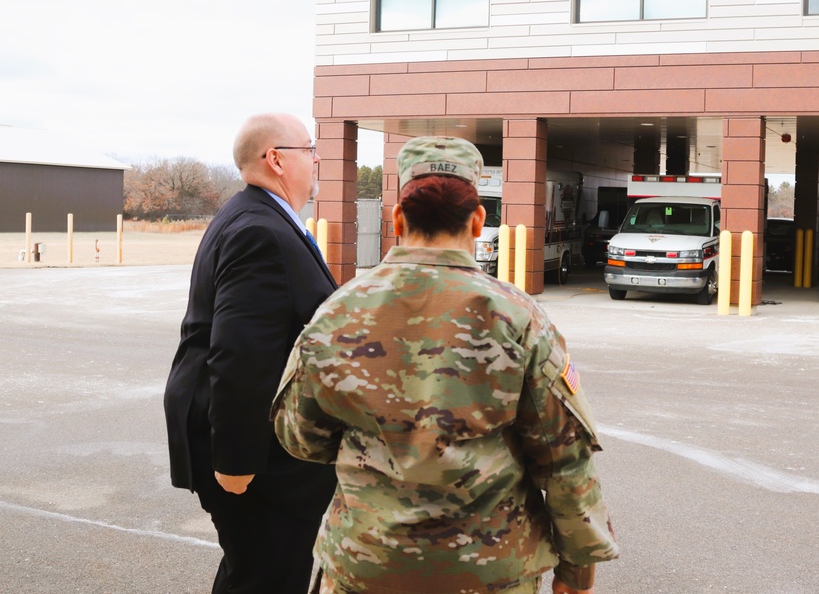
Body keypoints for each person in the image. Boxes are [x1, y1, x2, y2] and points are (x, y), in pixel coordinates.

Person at [272, 136, 619, 594]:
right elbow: (562, 456)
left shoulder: (336, 312)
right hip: (490, 572)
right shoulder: (517, 317)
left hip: (366, 566)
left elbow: (300, 437)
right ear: (478, 221)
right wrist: (577, 570)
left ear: (397, 218)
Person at [164, 112, 340, 594]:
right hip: (258, 460)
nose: (318, 157)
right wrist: (237, 463)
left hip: (256, 452)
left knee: (254, 572)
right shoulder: (260, 230)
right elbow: (240, 356)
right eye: (310, 148)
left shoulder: (257, 217)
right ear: (277, 159)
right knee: (266, 577)